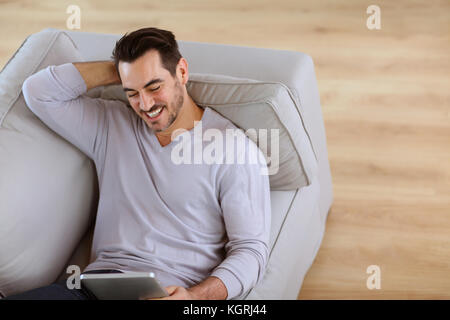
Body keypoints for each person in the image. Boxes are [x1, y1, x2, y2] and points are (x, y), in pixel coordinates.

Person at [6, 27, 271, 300]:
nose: (145, 104)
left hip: (166, 293)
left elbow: (251, 252)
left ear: (181, 71)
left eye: (154, 87)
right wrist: (119, 71)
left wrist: (194, 298)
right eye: (131, 92)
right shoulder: (111, 125)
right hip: (92, 289)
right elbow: (39, 92)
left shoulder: (234, 150)